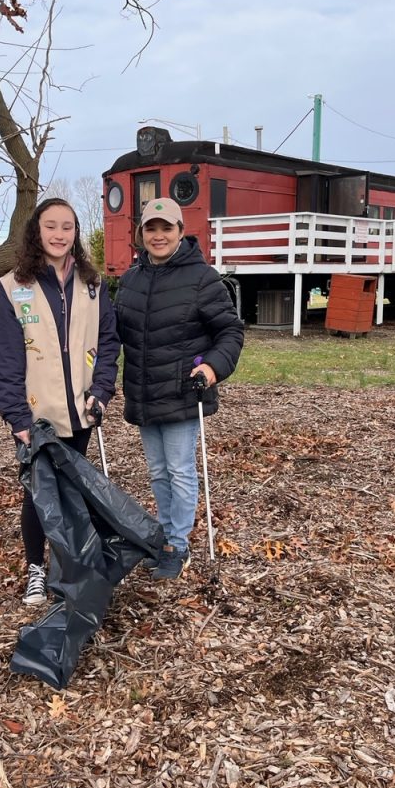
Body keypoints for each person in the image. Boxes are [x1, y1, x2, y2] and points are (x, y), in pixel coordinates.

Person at [0, 197, 120, 605]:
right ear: (36, 232)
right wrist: (17, 417)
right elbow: (4, 361)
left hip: (80, 411)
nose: (59, 234)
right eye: (51, 226)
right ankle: (36, 571)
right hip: (36, 416)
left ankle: (70, 567)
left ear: (75, 233)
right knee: (39, 494)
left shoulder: (92, 285)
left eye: (67, 227)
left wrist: (102, 392)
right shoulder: (12, 288)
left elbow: (108, 343)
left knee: (74, 494)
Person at [115, 197, 244, 580]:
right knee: (157, 472)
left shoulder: (202, 278)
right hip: (143, 392)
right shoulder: (131, 279)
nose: (158, 236)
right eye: (150, 229)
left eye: (166, 228)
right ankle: (166, 537)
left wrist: (212, 368)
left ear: (180, 232)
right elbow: (115, 333)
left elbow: (230, 331)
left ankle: (178, 545)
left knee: (180, 470)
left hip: (183, 391)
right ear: (141, 234)